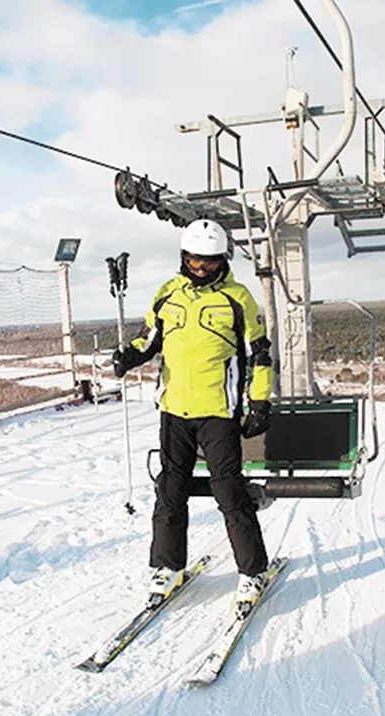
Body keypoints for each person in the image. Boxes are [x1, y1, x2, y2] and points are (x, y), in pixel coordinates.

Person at [112, 219, 275, 610]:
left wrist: (259, 402)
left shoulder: (238, 298)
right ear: (184, 257)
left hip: (218, 412)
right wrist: (129, 356)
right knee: (170, 491)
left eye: (210, 262)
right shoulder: (168, 294)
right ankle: (168, 566)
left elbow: (259, 355)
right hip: (174, 411)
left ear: (223, 260)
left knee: (230, 492)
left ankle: (252, 570)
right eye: (194, 261)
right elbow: (149, 339)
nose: (201, 269)